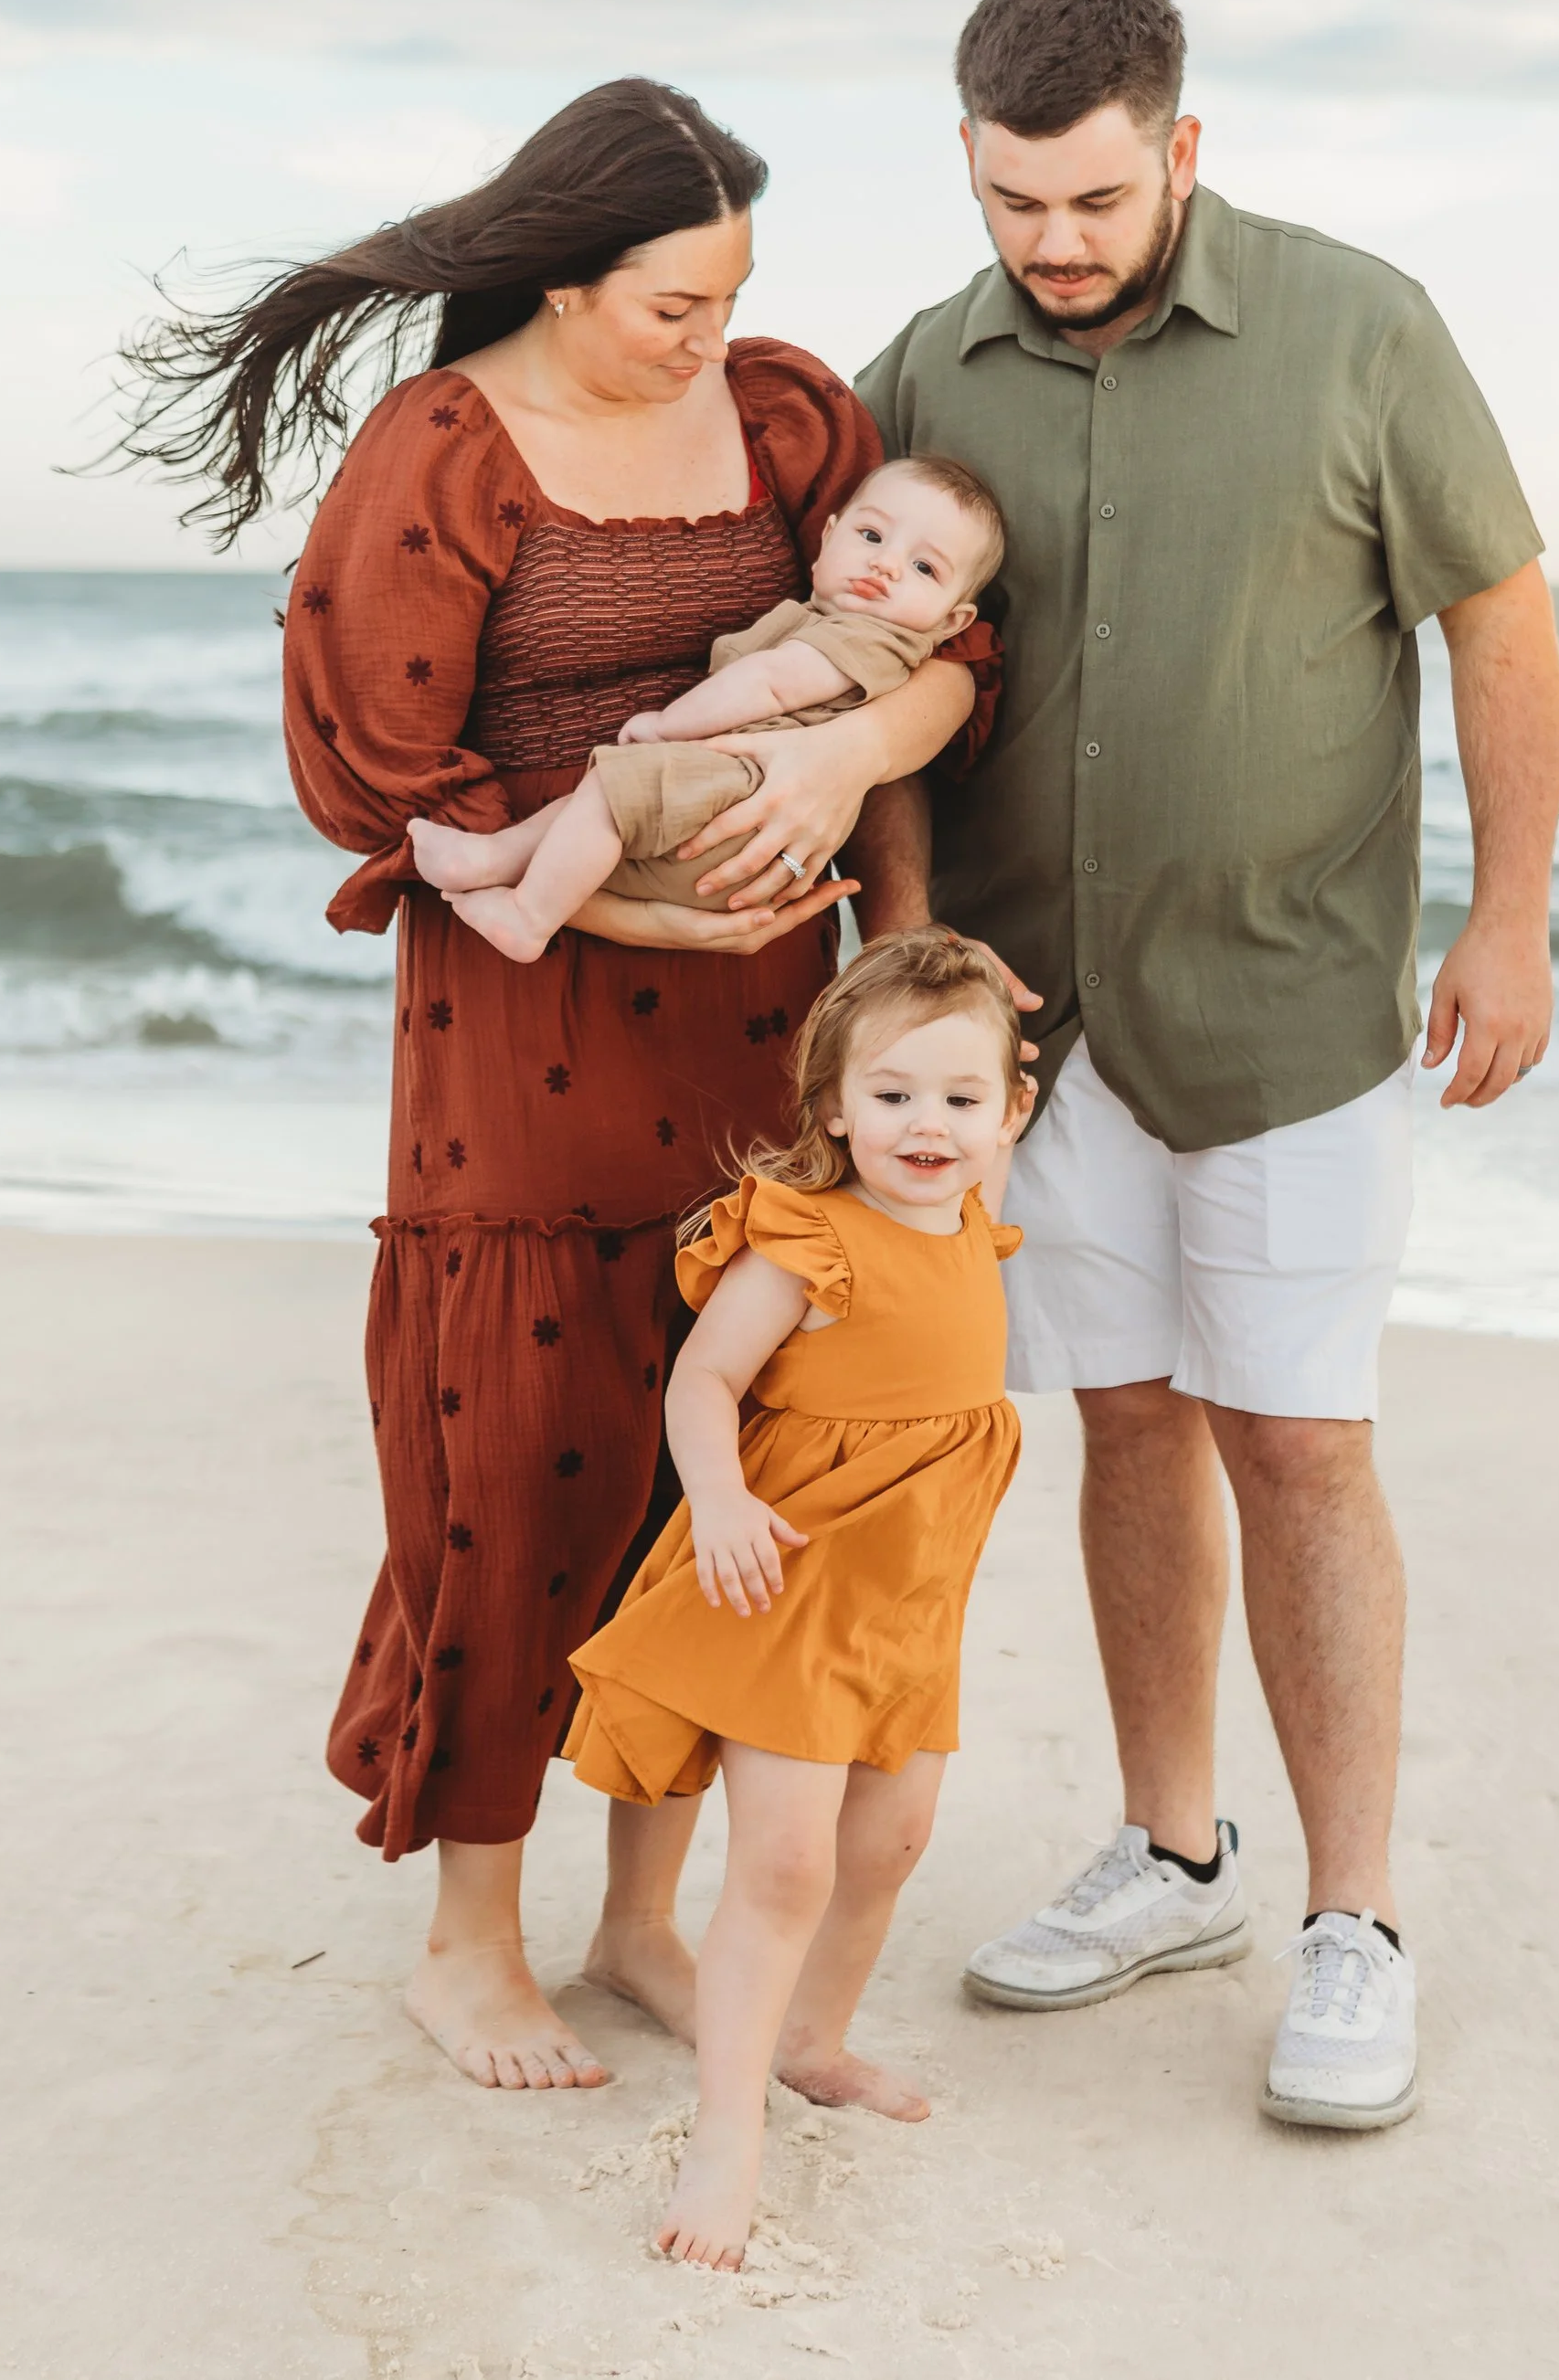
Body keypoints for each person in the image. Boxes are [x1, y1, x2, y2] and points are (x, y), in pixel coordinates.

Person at [118, 77, 994, 2094]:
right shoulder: (436, 458)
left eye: (727, 297)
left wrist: (854, 771)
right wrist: (640, 917)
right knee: (512, 1460)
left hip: (764, 1042)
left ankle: (634, 1926)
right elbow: (386, 795)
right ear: (566, 277)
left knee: (720, 1477)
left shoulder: (783, 419)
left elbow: (949, 648)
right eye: (673, 304)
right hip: (518, 1034)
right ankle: (470, 1938)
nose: (712, 336)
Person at [852, 0, 1559, 2131]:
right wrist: (900, 943)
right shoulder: (921, 364)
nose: (1049, 245)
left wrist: (1514, 914)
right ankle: (1176, 1855)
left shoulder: (1362, 326)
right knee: (1131, 1427)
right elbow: (870, 659)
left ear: (1182, 147)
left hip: (1291, 1018)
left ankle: (1352, 1919)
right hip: (1033, 1039)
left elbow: (1498, 626)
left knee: (1300, 1442)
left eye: (1087, 199)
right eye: (1008, 201)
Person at [565, 928, 1034, 2269]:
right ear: (832, 1106)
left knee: (890, 1841)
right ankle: (727, 2127)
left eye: (959, 1099)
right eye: (890, 1095)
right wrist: (713, 1498)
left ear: (1009, 1116)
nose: (926, 1125)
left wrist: (983, 1052)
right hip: (790, 1577)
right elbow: (701, 1383)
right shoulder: (808, 1238)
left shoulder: (974, 1208)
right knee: (785, 1859)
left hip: (913, 1593)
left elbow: (980, 1082)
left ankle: (813, 2040)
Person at [408, 457, 1004, 957]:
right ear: (826, 542)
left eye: (925, 568)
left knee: (612, 792)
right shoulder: (829, 619)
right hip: (731, 827)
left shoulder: (874, 640)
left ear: (952, 621)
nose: (886, 564)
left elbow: (771, 683)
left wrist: (668, 724)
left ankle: (528, 918)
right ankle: (492, 859)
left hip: (742, 803)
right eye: (871, 536)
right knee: (594, 803)